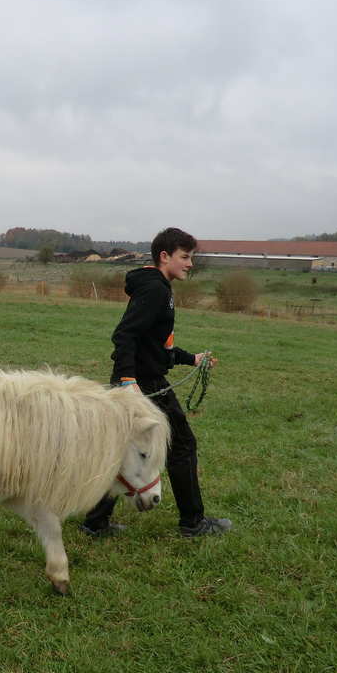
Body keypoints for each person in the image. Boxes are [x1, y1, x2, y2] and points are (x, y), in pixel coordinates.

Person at [82, 227, 232, 538]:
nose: (190, 264)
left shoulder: (158, 287)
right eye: (185, 257)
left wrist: (192, 358)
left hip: (143, 378)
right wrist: (127, 380)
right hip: (142, 384)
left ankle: (95, 522)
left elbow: (154, 347)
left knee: (118, 451)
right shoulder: (155, 290)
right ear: (165, 256)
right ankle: (193, 522)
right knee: (182, 445)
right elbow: (125, 335)